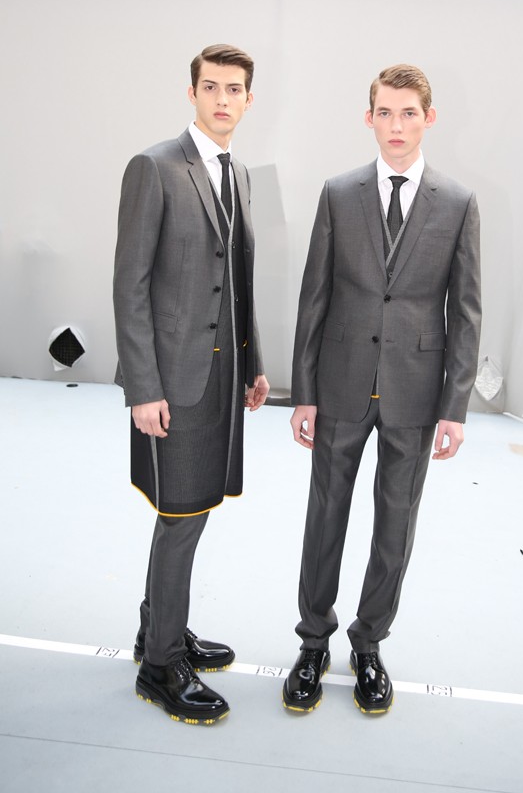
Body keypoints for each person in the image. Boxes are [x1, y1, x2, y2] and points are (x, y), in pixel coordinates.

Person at [282, 64, 481, 714]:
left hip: (415, 392)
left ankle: (368, 644)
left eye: (408, 113)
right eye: (385, 113)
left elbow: (466, 310)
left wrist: (454, 406)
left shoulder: (457, 203)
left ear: (429, 118)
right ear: (368, 118)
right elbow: (314, 296)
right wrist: (303, 391)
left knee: (395, 524)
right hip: (339, 383)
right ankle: (313, 642)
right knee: (324, 517)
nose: (396, 125)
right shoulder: (339, 193)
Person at [113, 43, 269, 725]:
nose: (222, 99)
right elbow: (130, 286)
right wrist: (142, 388)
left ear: (248, 100)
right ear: (193, 93)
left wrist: (253, 361)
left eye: (234, 89)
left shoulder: (238, 173)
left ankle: (160, 628)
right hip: (172, 381)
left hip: (222, 377)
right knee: (180, 517)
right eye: (211, 87)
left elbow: (237, 280)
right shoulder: (154, 167)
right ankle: (159, 666)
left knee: (192, 509)